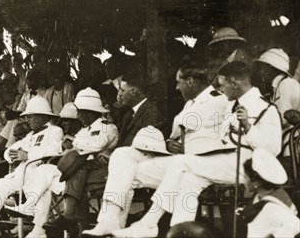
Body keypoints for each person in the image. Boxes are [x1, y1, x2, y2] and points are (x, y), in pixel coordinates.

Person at [111, 62, 282, 237]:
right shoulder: (232, 105)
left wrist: (248, 127)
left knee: (181, 162)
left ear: (235, 83)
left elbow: (273, 150)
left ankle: (149, 223)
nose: (222, 91)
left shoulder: (265, 107)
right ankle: (179, 231)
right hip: (225, 161)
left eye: (223, 86)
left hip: (247, 166)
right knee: (188, 179)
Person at [83, 63, 229, 236]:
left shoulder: (218, 100)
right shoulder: (190, 104)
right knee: (123, 155)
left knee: (131, 171)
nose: (176, 87)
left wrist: (180, 147)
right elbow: (178, 135)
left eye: (179, 82)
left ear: (190, 81)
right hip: (177, 162)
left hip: (198, 164)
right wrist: (167, 143)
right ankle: (109, 221)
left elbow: (212, 138)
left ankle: (143, 226)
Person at [0, 96, 63, 238]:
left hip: (35, 176)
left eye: (31, 117)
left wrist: (28, 155)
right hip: (18, 175)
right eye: (27, 117)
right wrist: (11, 155)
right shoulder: (29, 135)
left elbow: (54, 150)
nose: (28, 120)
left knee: (0, 190)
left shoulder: (54, 131)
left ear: (42, 117)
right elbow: (9, 151)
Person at [58, 88, 118, 231]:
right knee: (79, 179)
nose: (78, 116)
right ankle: (77, 225)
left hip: (106, 170)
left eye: (80, 112)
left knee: (78, 174)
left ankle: (69, 218)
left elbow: (98, 145)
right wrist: (69, 146)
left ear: (89, 112)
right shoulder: (84, 131)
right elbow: (75, 150)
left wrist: (75, 142)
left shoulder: (107, 127)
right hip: (86, 171)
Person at [239, 148, 300, 237]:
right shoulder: (278, 194)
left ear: (256, 183)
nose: (242, 180)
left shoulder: (269, 209)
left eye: (245, 177)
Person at [114, 69, 165, 148]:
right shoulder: (128, 115)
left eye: (122, 90)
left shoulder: (151, 114)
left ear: (133, 92)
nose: (119, 94)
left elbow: (144, 147)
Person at [252, 48, 300, 127]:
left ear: (270, 70)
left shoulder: (285, 85)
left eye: (262, 69)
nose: (260, 73)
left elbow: (282, 120)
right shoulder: (279, 86)